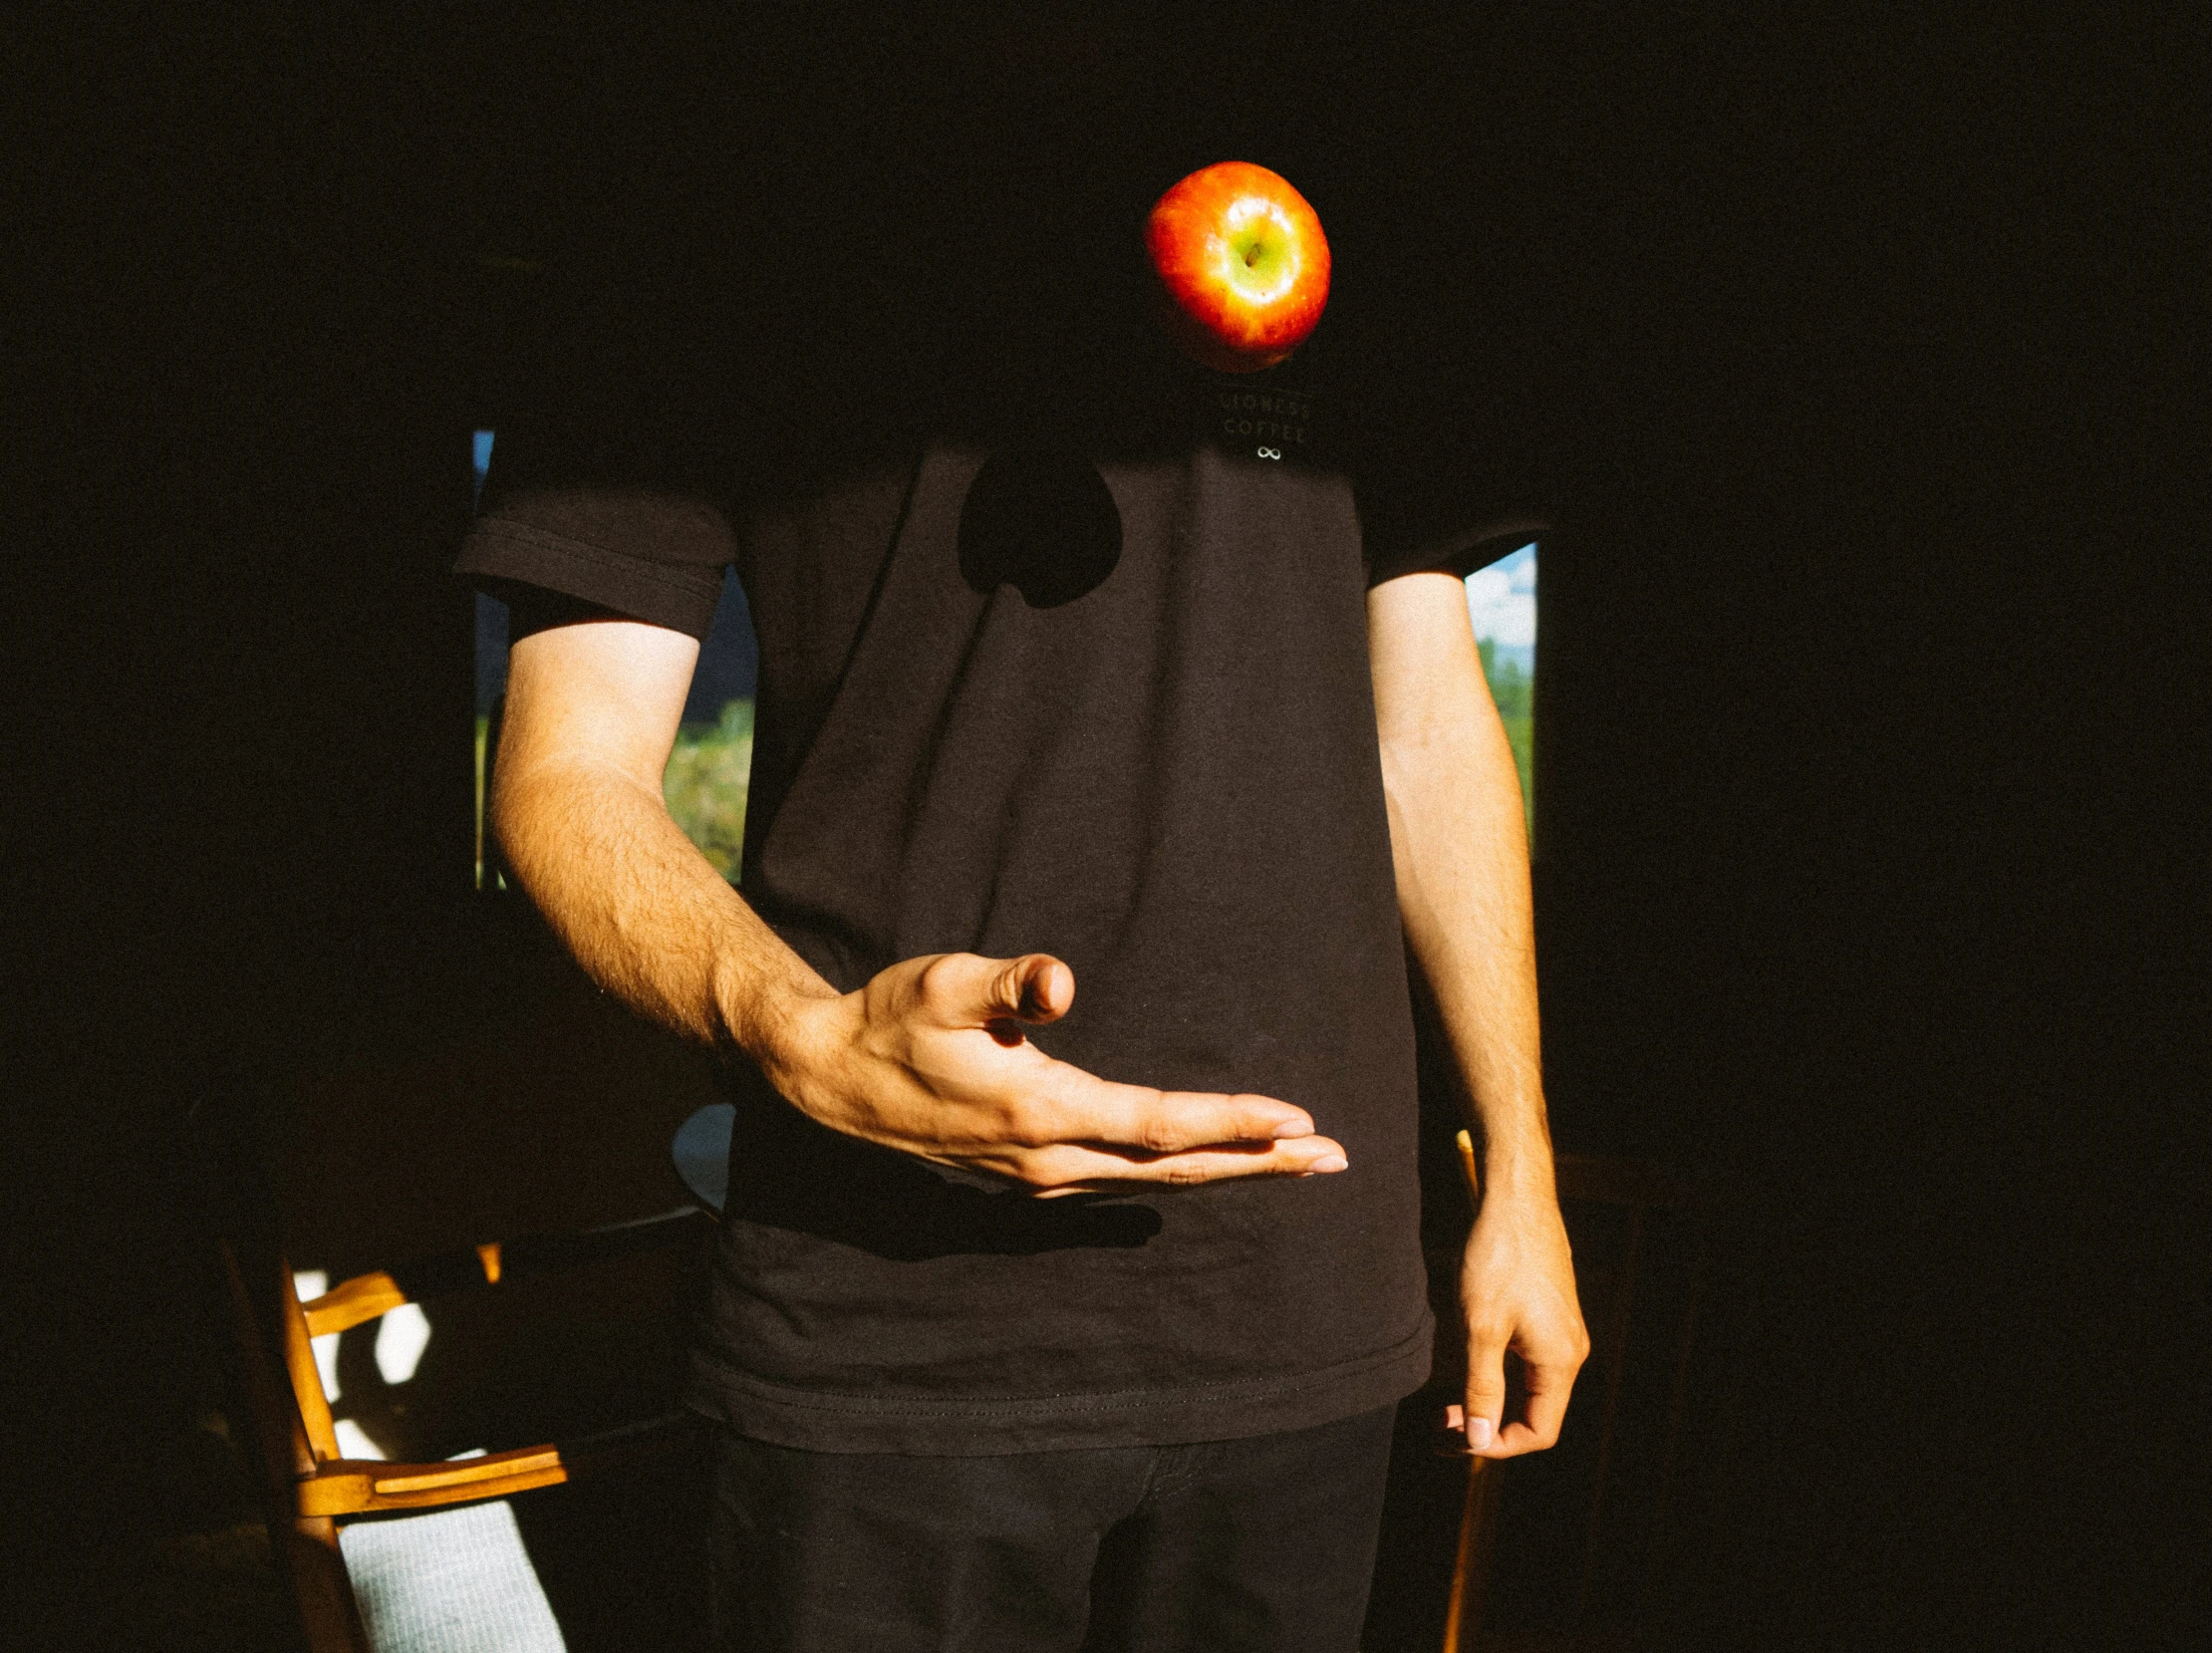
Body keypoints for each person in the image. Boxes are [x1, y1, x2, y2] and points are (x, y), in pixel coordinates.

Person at [458, 131, 1587, 1651]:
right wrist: (800, 1037)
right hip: (887, 1334)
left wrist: (1520, 1168)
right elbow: (563, 771)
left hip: (1311, 1305)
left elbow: (1430, 724)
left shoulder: (1357, 183)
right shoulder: (701, 194)